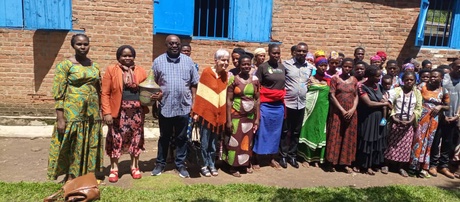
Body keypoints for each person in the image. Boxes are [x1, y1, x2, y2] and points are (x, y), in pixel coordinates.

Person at [47, 34, 103, 182]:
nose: (83, 47)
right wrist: (60, 117)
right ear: (73, 46)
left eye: (85, 44)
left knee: (90, 142)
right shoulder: (65, 65)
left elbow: (99, 89)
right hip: (73, 111)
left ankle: (88, 174)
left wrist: (101, 110)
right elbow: (58, 92)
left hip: (92, 112)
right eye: (79, 44)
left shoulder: (94, 65)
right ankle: (71, 176)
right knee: (73, 144)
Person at [151, 35, 200, 178]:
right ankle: (160, 164)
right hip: (165, 106)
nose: (174, 46)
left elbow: (194, 83)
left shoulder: (188, 61)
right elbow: (152, 84)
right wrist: (155, 101)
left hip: (184, 106)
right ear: (166, 45)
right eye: (171, 43)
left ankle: (180, 165)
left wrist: (194, 103)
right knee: (164, 137)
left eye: (177, 43)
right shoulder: (158, 61)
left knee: (181, 137)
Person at [101, 45, 148, 182]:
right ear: (118, 57)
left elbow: (148, 89)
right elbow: (105, 93)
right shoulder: (111, 70)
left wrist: (156, 95)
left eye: (130, 55)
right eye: (124, 55)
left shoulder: (140, 71)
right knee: (116, 138)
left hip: (137, 111)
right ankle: (114, 168)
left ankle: (135, 166)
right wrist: (107, 112)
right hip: (118, 112)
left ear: (134, 56)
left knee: (136, 138)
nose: (127, 58)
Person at [192, 49, 229, 177]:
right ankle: (203, 165)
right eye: (223, 60)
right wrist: (197, 112)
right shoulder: (207, 73)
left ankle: (212, 163)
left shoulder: (225, 75)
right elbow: (201, 94)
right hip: (206, 114)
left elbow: (222, 95)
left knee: (214, 143)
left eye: (227, 60)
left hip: (218, 114)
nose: (225, 63)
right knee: (204, 142)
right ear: (216, 60)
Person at [224, 54, 260, 177]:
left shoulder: (255, 80)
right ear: (239, 65)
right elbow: (228, 100)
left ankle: (244, 164)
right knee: (235, 140)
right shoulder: (233, 80)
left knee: (247, 141)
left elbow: (257, 100)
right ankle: (233, 167)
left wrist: (257, 119)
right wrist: (228, 120)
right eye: (243, 64)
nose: (246, 66)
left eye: (248, 64)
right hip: (236, 115)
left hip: (249, 117)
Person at [409, 69, 450, 178]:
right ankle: (413, 166)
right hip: (421, 118)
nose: (432, 78)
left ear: (441, 78)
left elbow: (447, 106)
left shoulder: (443, 91)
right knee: (418, 140)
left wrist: (440, 106)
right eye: (431, 76)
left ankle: (424, 167)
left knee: (429, 142)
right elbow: (414, 97)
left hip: (434, 120)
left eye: (435, 77)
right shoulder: (422, 86)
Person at [279, 43, 313, 169]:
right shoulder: (286, 65)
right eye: (299, 51)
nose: (301, 53)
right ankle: (282, 155)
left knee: (296, 131)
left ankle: (292, 155)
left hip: (301, 104)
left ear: (307, 52)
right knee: (285, 130)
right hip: (288, 103)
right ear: (294, 52)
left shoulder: (310, 67)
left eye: (304, 51)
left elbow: (311, 81)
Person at [383, 72, 422, 177]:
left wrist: (410, 120)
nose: (409, 81)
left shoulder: (417, 93)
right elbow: (388, 103)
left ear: (415, 81)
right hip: (395, 121)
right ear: (402, 80)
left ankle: (401, 167)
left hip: (408, 123)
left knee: (405, 145)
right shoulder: (396, 91)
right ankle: (386, 164)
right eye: (406, 79)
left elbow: (418, 109)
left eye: (411, 80)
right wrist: (394, 117)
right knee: (391, 143)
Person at [253, 44, 286, 170]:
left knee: (275, 132)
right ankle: (256, 157)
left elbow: (283, 85)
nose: (276, 55)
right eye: (274, 53)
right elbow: (257, 86)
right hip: (265, 104)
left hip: (278, 105)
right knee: (261, 131)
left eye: (278, 53)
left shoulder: (282, 68)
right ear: (269, 53)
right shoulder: (263, 67)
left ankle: (271, 158)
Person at [356, 65, 391, 175]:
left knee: (377, 141)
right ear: (370, 76)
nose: (379, 78)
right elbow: (369, 103)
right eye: (377, 76)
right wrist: (385, 103)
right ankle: (365, 165)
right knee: (368, 141)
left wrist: (384, 120)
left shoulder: (379, 87)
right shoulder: (362, 87)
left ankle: (373, 164)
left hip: (380, 119)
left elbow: (383, 103)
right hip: (368, 119)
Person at [326, 58, 358, 173]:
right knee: (335, 136)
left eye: (350, 67)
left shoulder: (354, 80)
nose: (347, 69)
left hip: (351, 113)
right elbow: (332, 96)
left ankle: (345, 164)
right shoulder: (335, 79)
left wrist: (353, 109)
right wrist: (342, 110)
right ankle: (331, 163)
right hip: (337, 112)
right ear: (341, 66)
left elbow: (356, 96)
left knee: (348, 137)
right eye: (345, 66)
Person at [430, 60, 460, 179]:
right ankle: (432, 165)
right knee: (435, 141)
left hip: (454, 117)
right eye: (458, 67)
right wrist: (443, 115)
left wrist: (457, 115)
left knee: (448, 143)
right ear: (452, 66)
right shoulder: (443, 78)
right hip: (439, 117)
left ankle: (443, 166)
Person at [298, 57, 330, 167]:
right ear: (316, 66)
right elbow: (303, 91)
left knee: (320, 131)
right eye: (321, 65)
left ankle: (316, 158)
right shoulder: (310, 79)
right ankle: (305, 158)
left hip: (323, 110)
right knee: (308, 129)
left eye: (325, 65)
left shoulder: (328, 80)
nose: (323, 67)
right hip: (310, 109)